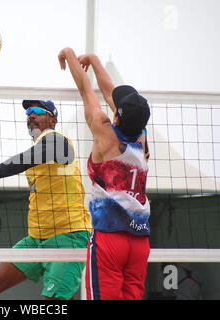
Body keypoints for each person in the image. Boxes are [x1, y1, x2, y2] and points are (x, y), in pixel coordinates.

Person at [0, 100, 91, 300]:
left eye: (37, 111)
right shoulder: (36, 155)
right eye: (28, 112)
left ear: (53, 120)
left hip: (68, 236)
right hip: (36, 238)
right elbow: (30, 159)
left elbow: (26, 158)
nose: (31, 115)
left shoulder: (58, 141)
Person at [58, 48, 151, 300]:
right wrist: (95, 61)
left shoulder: (104, 134)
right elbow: (112, 96)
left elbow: (86, 91)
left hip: (110, 237)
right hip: (140, 240)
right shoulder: (142, 138)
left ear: (117, 118)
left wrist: (69, 53)